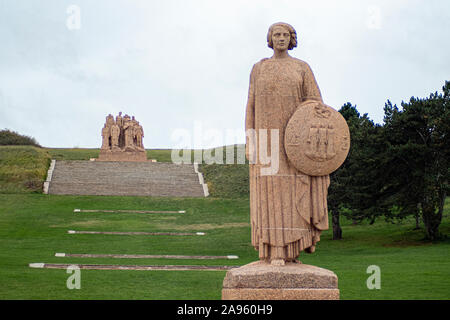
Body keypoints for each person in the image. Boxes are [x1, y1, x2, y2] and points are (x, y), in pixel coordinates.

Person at [245, 22, 330, 265]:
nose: (281, 38)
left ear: (291, 39)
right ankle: (274, 251)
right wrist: (249, 139)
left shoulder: (301, 68)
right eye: (276, 34)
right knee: (270, 197)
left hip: (293, 144)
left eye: (285, 35)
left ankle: (291, 251)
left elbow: (316, 103)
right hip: (266, 141)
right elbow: (250, 105)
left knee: (292, 196)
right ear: (270, 39)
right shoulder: (259, 68)